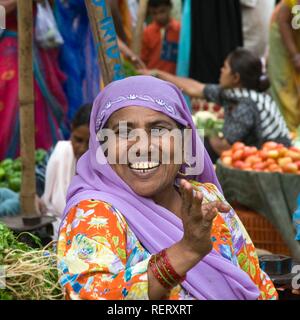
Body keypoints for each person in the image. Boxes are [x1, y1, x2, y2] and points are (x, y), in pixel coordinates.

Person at [57, 76, 277, 300]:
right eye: (124, 132)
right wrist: (186, 251)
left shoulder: (206, 199)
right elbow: (89, 294)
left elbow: (256, 282)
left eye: (159, 129)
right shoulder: (95, 213)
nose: (142, 146)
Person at [140, 48, 291, 159]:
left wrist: (200, 131)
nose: (221, 70)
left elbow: (223, 147)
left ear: (235, 78)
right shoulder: (233, 93)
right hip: (260, 154)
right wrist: (157, 74)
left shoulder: (245, 105)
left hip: (275, 158)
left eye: (225, 67)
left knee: (198, 145)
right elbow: (195, 88)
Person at [0, 0, 68, 160]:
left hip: (35, 50)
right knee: (11, 103)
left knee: (37, 104)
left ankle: (39, 164)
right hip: (9, 46)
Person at [42, 104, 92, 238]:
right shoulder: (60, 152)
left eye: (90, 143)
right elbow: (39, 178)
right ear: (72, 129)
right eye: (78, 140)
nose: (82, 148)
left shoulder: (106, 167)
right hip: (55, 227)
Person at [268, 0, 300, 131]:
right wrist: (295, 56)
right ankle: (287, 131)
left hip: (296, 32)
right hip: (282, 33)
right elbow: (284, 21)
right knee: (285, 84)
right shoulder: (292, 3)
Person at [141, 0, 180, 74]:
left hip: (175, 78)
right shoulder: (147, 32)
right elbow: (143, 59)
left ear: (169, 8)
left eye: (162, 11)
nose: (159, 16)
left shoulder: (179, 29)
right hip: (153, 78)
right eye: (154, 13)